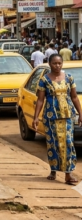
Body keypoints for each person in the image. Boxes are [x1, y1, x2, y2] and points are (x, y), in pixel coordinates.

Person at [33, 54, 82, 185]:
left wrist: (80, 113)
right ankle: (53, 170)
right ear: (50, 64)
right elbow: (40, 100)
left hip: (67, 116)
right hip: (51, 117)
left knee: (68, 143)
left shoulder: (69, 78)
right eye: (54, 63)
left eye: (59, 63)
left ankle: (68, 174)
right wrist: (36, 117)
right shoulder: (44, 80)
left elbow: (74, 97)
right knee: (53, 144)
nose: (57, 66)